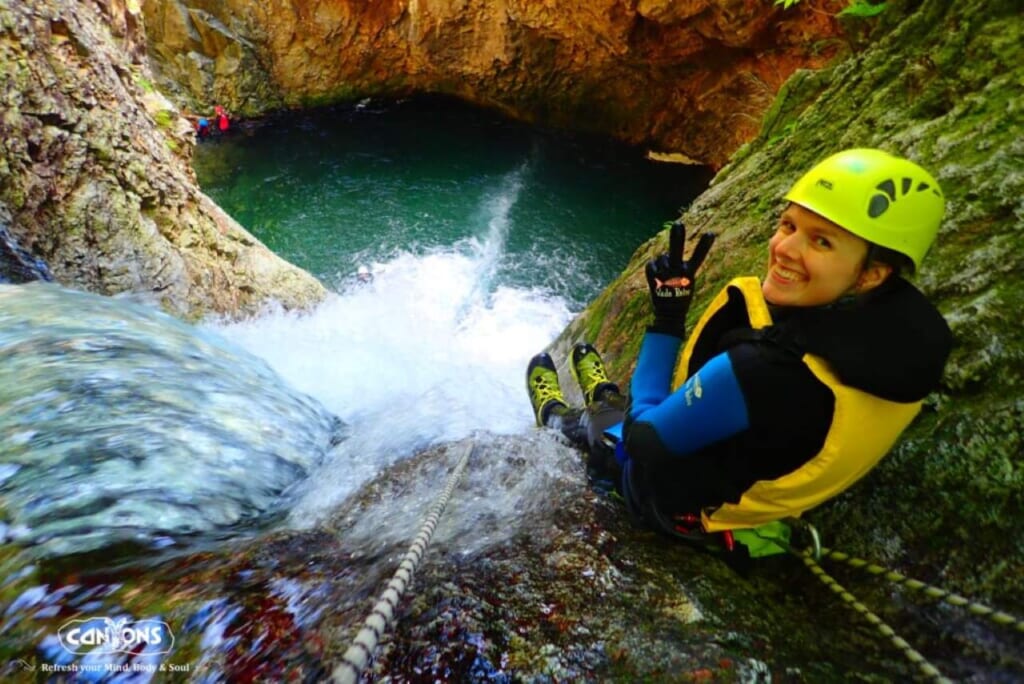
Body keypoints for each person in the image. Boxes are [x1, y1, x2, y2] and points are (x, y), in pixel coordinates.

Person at [526, 148, 952, 556]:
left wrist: (668, 319)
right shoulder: (912, 341)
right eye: (788, 226)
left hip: (671, 503)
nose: (784, 249)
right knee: (623, 413)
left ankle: (559, 416)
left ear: (872, 274)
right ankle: (603, 398)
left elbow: (644, 443)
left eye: (822, 242)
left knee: (611, 436)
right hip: (758, 503)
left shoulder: (765, 370)